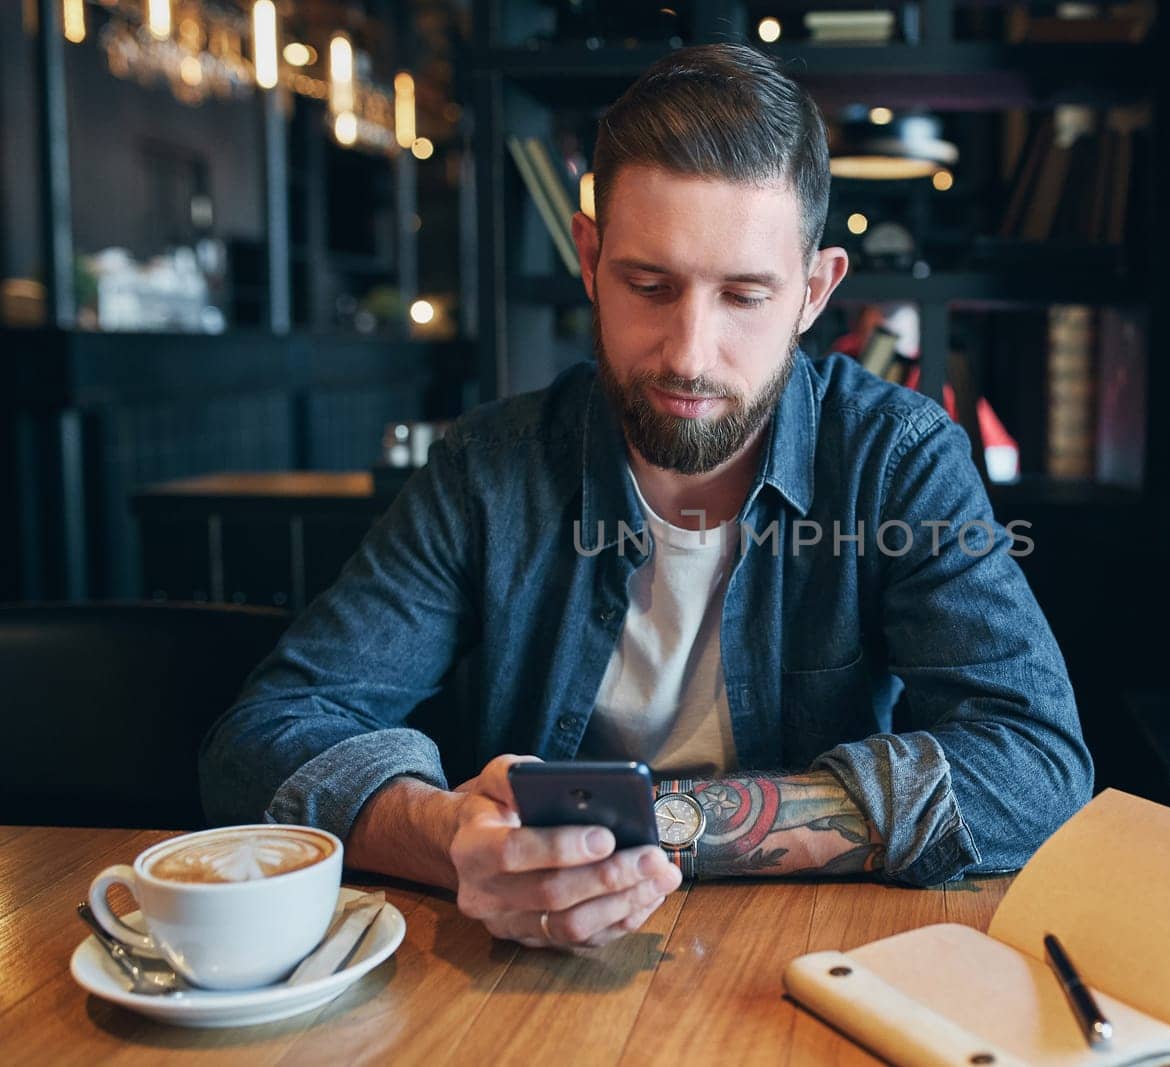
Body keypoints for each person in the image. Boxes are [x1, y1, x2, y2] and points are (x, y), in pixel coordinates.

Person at [200, 42, 1092, 951]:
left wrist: (655, 831)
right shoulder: (490, 469)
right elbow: (262, 738)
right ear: (589, 257)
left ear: (814, 292)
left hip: (814, 955)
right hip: (531, 960)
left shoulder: (895, 460)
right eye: (649, 285)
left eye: (745, 295)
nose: (690, 353)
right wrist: (449, 841)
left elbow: (1040, 765)